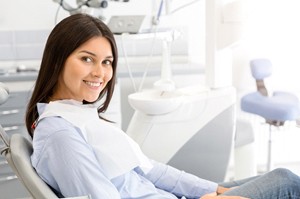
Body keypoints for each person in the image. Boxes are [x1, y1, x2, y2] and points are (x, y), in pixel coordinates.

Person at [25, 13, 300, 199]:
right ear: (58, 58)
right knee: (287, 183)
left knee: (279, 176)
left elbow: (150, 170)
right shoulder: (60, 134)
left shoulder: (76, 114)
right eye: (87, 59)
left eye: (107, 62)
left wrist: (214, 190)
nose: (100, 72)